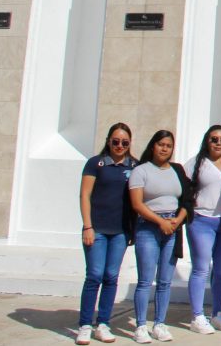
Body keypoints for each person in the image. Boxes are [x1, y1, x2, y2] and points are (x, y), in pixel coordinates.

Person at [128, 130, 192, 344]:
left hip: (172, 226)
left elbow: (187, 199)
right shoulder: (141, 170)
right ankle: (140, 325)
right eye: (161, 144)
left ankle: (159, 323)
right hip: (149, 227)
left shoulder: (177, 170)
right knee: (145, 280)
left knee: (165, 281)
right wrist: (160, 221)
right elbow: (137, 204)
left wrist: (177, 220)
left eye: (168, 145)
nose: (164, 148)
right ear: (153, 146)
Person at [77, 123, 137, 346]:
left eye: (124, 142)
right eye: (115, 141)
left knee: (111, 277)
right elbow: (85, 195)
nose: (119, 146)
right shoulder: (96, 163)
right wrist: (87, 226)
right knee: (94, 275)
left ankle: (103, 323)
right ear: (108, 141)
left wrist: (133, 230)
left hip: (120, 232)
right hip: (97, 230)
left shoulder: (134, 166)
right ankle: (84, 324)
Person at [183, 125, 221, 334]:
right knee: (201, 268)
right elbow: (184, 190)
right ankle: (197, 315)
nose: (219, 143)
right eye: (214, 139)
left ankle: (218, 313)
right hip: (201, 221)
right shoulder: (195, 163)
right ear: (207, 140)